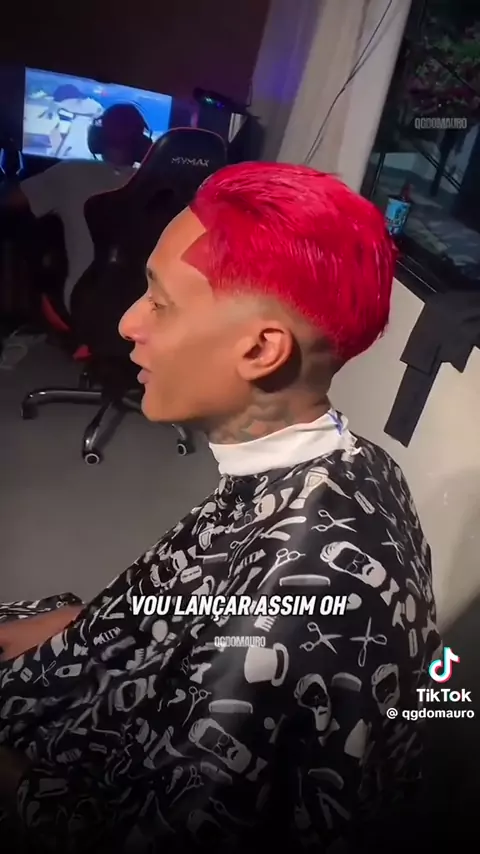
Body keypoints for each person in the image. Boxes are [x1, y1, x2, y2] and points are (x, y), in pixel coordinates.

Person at [0, 162, 440, 854]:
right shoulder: (357, 460)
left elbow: (141, 832)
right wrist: (89, 629)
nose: (127, 322)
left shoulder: (283, 611)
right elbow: (184, 601)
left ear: (261, 349)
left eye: (160, 303)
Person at [2, 103, 149, 312]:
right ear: (143, 143)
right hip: (141, 308)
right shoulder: (155, 182)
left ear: (97, 137)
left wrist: (10, 167)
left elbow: (9, 200)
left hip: (84, 304)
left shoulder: (70, 171)